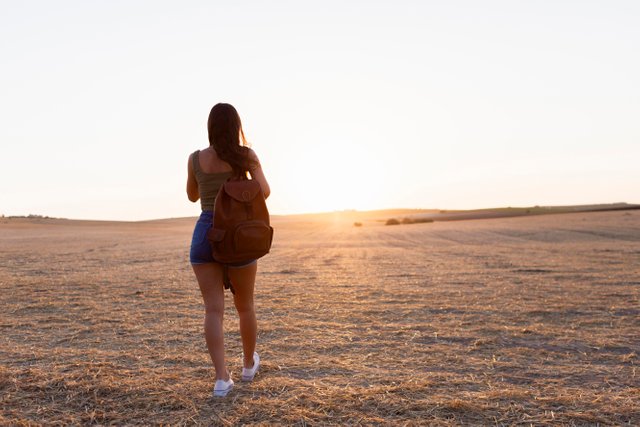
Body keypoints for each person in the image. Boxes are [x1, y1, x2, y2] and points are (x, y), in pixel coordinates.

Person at [186, 103, 271, 397]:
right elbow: (266, 190)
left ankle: (222, 379)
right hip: (238, 233)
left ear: (210, 127)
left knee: (213, 309)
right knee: (245, 305)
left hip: (206, 232)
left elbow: (192, 194)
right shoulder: (246, 156)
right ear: (236, 126)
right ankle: (248, 366)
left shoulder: (196, 158)